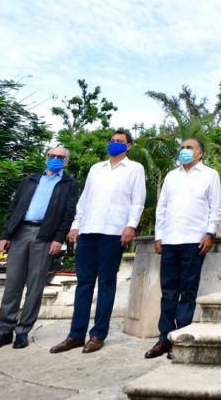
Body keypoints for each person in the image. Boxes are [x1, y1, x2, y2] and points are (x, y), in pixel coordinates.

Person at [50, 130, 146, 354]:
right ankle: (75, 335)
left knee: (106, 283)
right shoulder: (96, 169)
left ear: (129, 146)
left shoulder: (134, 169)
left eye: (120, 142)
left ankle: (97, 334)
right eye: (112, 141)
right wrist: (76, 225)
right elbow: (84, 199)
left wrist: (131, 225)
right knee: (84, 283)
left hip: (114, 231)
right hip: (88, 230)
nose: (114, 144)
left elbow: (138, 200)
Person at [0, 146, 79, 351]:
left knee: (35, 285)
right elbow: (14, 207)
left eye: (60, 157)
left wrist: (58, 239)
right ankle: (4, 331)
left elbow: (69, 214)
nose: (55, 159)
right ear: (46, 157)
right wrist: (5, 235)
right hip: (20, 233)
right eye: (51, 155)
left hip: (45, 236)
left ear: (66, 162)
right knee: (12, 284)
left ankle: (23, 331)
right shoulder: (30, 180)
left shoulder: (69, 184)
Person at [145, 139, 221, 359]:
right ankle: (164, 339)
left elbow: (215, 207)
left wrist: (210, 233)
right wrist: (159, 236)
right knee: (168, 290)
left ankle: (180, 337)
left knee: (187, 291)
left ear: (200, 153)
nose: (185, 151)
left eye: (190, 148)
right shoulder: (171, 176)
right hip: (170, 239)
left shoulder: (210, 175)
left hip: (194, 240)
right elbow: (162, 207)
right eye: (183, 147)